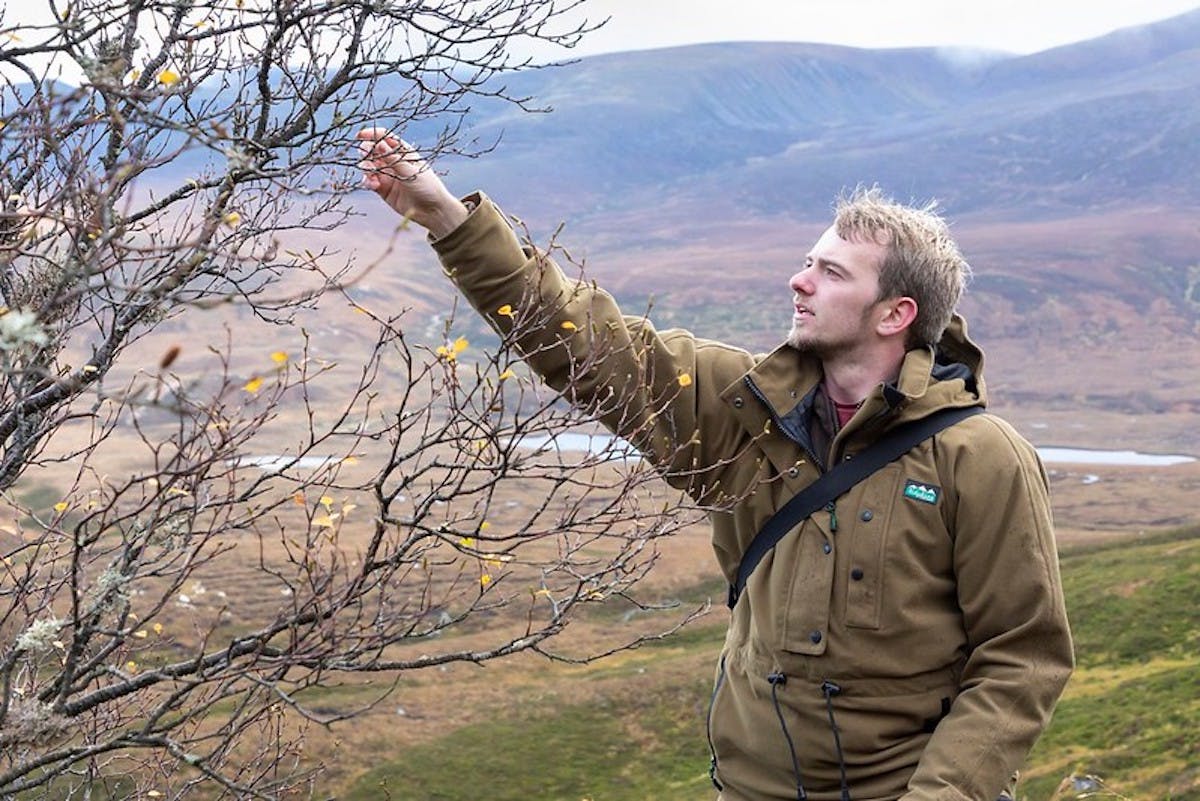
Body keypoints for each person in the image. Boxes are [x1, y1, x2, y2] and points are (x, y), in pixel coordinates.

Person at [355, 127, 1074, 801]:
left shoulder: (981, 459)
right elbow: (584, 342)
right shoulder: (740, 407)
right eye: (806, 261)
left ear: (895, 314)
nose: (800, 280)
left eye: (830, 272)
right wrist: (449, 217)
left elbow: (1020, 658)